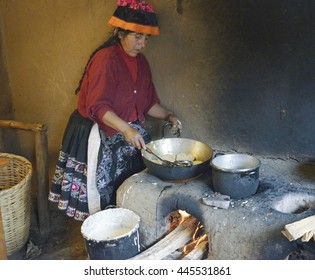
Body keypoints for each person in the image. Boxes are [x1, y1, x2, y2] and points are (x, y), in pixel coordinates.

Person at [48, 0, 182, 221]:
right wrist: (128, 130)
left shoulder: (141, 63)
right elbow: (99, 107)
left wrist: (168, 115)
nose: (142, 44)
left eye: (146, 38)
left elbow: (148, 104)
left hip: (123, 131)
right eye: (137, 37)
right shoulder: (107, 60)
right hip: (97, 130)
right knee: (101, 193)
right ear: (120, 33)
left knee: (132, 183)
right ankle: (104, 233)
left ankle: (125, 222)